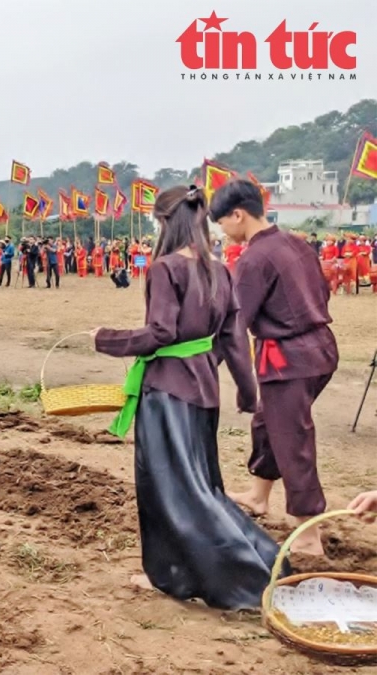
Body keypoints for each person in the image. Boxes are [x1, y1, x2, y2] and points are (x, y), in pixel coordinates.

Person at [94, 185, 275, 610]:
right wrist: (249, 396)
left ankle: (232, 578)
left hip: (167, 393)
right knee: (202, 487)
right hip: (203, 392)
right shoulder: (220, 269)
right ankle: (254, 563)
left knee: (170, 491)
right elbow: (234, 340)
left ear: (164, 222)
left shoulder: (165, 269)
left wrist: (106, 339)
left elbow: (161, 334)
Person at [211, 180, 339, 557]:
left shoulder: (254, 258)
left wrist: (203, 364)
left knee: (291, 440)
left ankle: (309, 532)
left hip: (289, 359)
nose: (222, 231)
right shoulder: (296, 243)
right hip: (319, 348)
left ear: (239, 215)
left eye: (222, 223)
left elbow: (235, 323)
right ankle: (258, 495)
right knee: (268, 423)